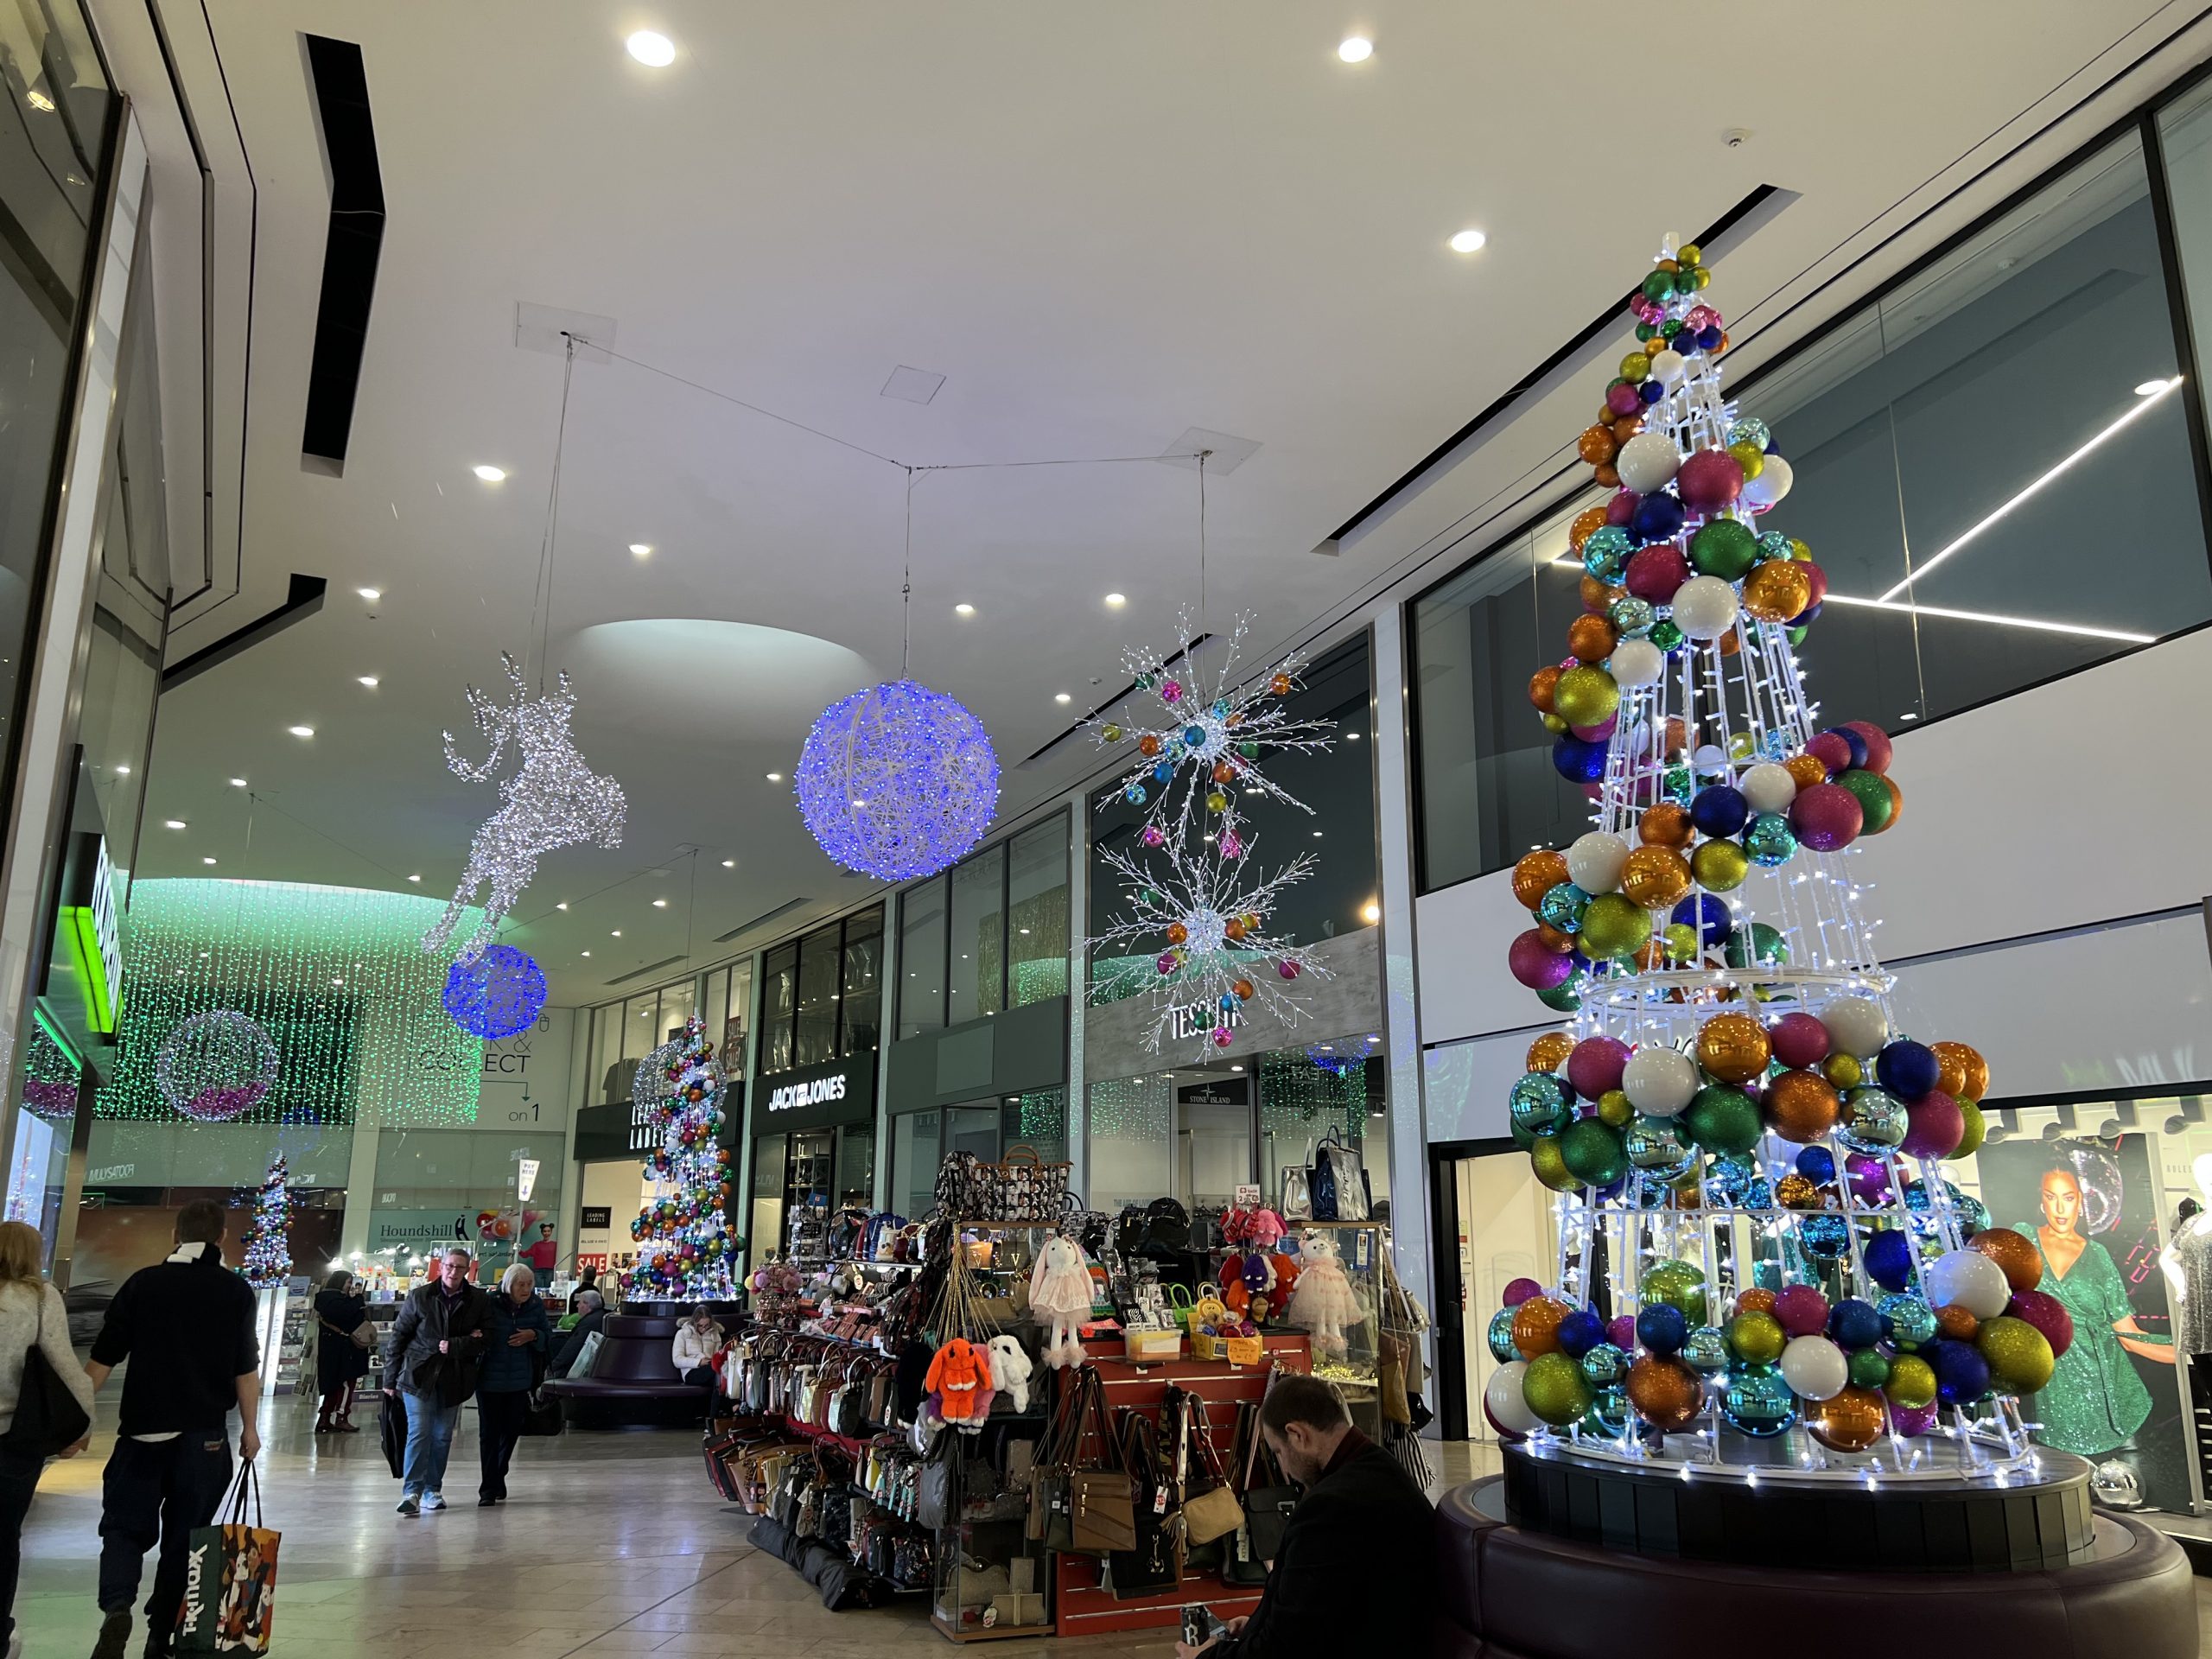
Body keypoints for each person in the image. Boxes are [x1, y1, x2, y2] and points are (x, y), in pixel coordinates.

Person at [85, 1198, 260, 1659]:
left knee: (123, 1528)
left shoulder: (144, 1283)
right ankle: (160, 1634)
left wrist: (79, 1418)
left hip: (143, 1432)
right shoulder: (235, 1292)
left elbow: (104, 1356)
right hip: (204, 1437)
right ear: (221, 1237)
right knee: (187, 1538)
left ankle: (117, 1606)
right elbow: (245, 1369)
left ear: (174, 1236)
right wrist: (250, 1430)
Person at [1175, 1373, 1433, 1659]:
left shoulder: (1331, 1508)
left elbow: (1284, 1649)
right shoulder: (1377, 1468)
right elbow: (1318, 1607)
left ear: (1298, 1435)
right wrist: (1258, 1625)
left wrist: (1203, 1658)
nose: (1283, 1464)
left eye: (1278, 1451)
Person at [2024, 1163, 2174, 1462]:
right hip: (2055, 1406)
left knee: (2126, 1502)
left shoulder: (2098, 1255)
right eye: (2050, 1197)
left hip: (2111, 1401)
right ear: (2041, 1202)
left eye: (2068, 1198)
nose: (2060, 1208)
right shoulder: (2024, 1240)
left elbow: (2128, 1335)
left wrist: (2190, 1352)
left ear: (2080, 1201)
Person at [0, 1220, 92, 1659]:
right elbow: (62, 1361)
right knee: (3, 1538)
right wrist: (84, 1422)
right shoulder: (38, 1297)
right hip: (16, 1438)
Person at [383, 1246, 492, 1516]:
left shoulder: (477, 1300)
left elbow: (488, 1337)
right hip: (417, 1377)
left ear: (468, 1271)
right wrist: (389, 1378)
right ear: (440, 1267)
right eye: (449, 1266)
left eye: (460, 1268)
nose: (454, 1272)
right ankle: (412, 1491)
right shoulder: (420, 1297)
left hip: (454, 1379)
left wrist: (456, 1345)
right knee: (419, 1432)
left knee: (442, 1437)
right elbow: (399, 1336)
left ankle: (433, 1489)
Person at [474, 1263, 550, 1506]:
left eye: (529, 1284)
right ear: (509, 1284)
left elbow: (547, 1336)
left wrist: (534, 1335)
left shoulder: (536, 1305)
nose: (526, 1289)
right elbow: (477, 1331)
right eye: (521, 1284)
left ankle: (499, 1474)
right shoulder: (489, 1303)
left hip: (519, 1380)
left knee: (511, 1430)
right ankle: (488, 1488)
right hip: (489, 1380)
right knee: (489, 1433)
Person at [313, 1268, 371, 1433]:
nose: (349, 1286)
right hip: (345, 1350)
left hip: (329, 1349)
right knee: (346, 1383)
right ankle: (341, 1417)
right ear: (341, 1282)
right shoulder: (338, 1302)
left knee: (333, 1384)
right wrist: (359, 1300)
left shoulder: (323, 1299)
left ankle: (324, 1418)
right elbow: (346, 1314)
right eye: (348, 1282)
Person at [547, 1289, 606, 1378]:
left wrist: (552, 1367)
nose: (577, 1305)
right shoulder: (602, 1317)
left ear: (587, 1305)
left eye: (580, 1302)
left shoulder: (588, 1323)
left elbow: (572, 1347)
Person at [671, 1306, 723, 1389]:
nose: (703, 1328)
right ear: (694, 1323)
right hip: (691, 1371)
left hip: (710, 1369)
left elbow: (717, 1356)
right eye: (700, 1325)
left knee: (718, 1377)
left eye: (707, 1325)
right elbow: (677, 1360)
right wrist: (699, 1362)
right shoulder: (682, 1333)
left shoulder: (714, 1334)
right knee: (718, 1373)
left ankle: (718, 1399)